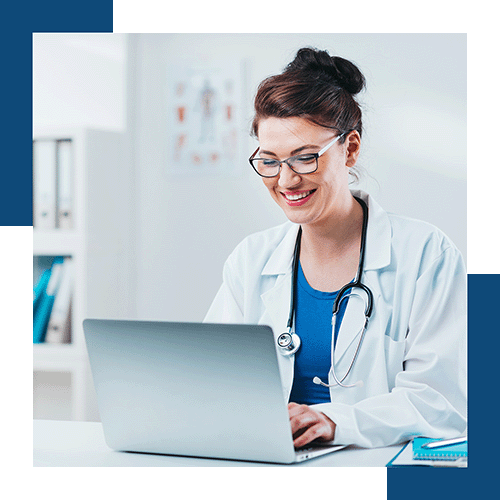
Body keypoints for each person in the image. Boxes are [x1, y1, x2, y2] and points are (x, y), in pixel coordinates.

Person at [204, 47, 467, 448]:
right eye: (269, 161)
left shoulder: (426, 255)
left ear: (352, 148)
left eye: (305, 158)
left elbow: (443, 403)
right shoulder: (250, 261)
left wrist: (333, 421)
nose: (286, 180)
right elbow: (209, 379)